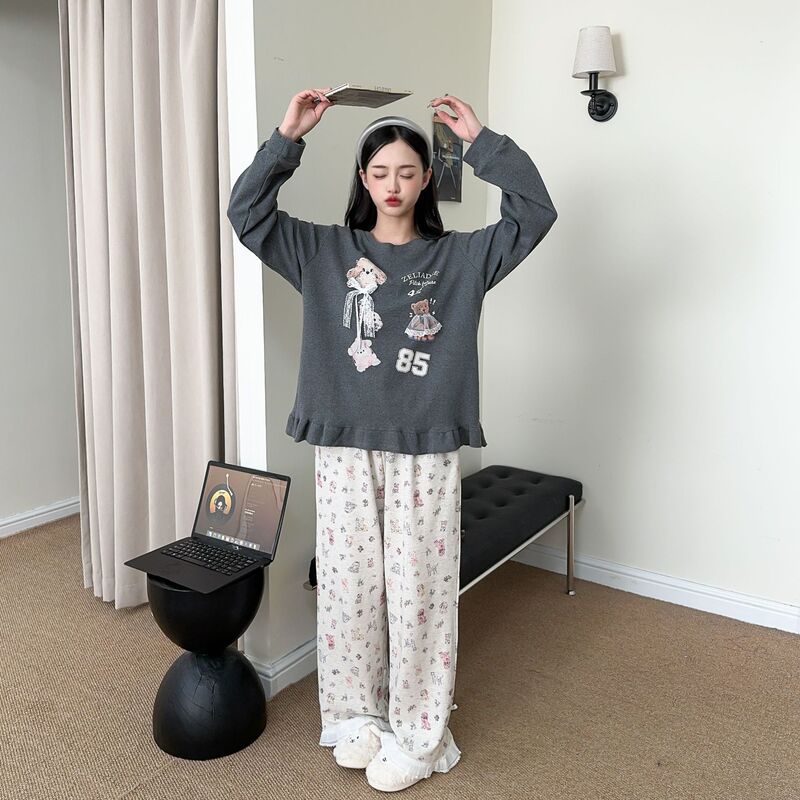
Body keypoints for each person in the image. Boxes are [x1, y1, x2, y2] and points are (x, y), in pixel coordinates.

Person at [227, 88, 557, 792]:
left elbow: (534, 213)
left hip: (424, 451)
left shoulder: (462, 259)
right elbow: (246, 213)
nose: (394, 185)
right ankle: (356, 716)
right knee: (349, 589)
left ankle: (419, 733)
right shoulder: (323, 251)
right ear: (363, 180)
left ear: (427, 178)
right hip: (343, 447)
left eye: (407, 171)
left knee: (418, 597)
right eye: (380, 173)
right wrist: (287, 136)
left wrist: (482, 143)